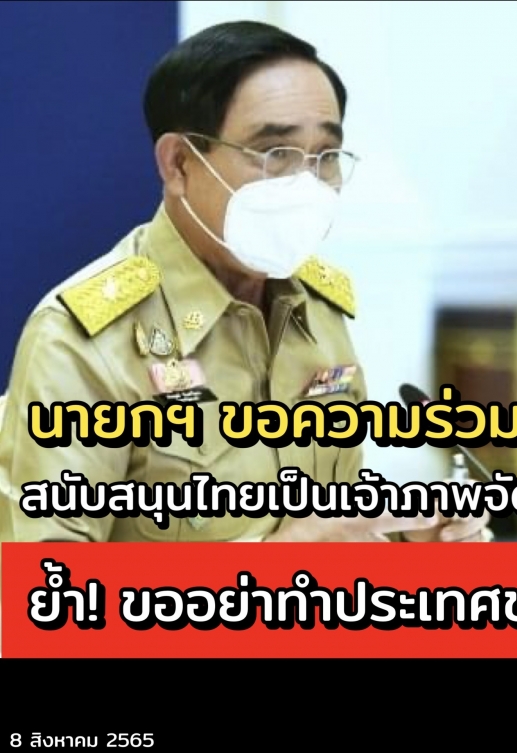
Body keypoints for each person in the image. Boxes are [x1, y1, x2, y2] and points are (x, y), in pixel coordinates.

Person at [0, 21, 490, 544]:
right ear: (179, 164)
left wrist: (410, 538)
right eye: (274, 153)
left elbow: (331, 529)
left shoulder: (318, 308)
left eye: (326, 156)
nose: (306, 183)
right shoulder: (83, 341)